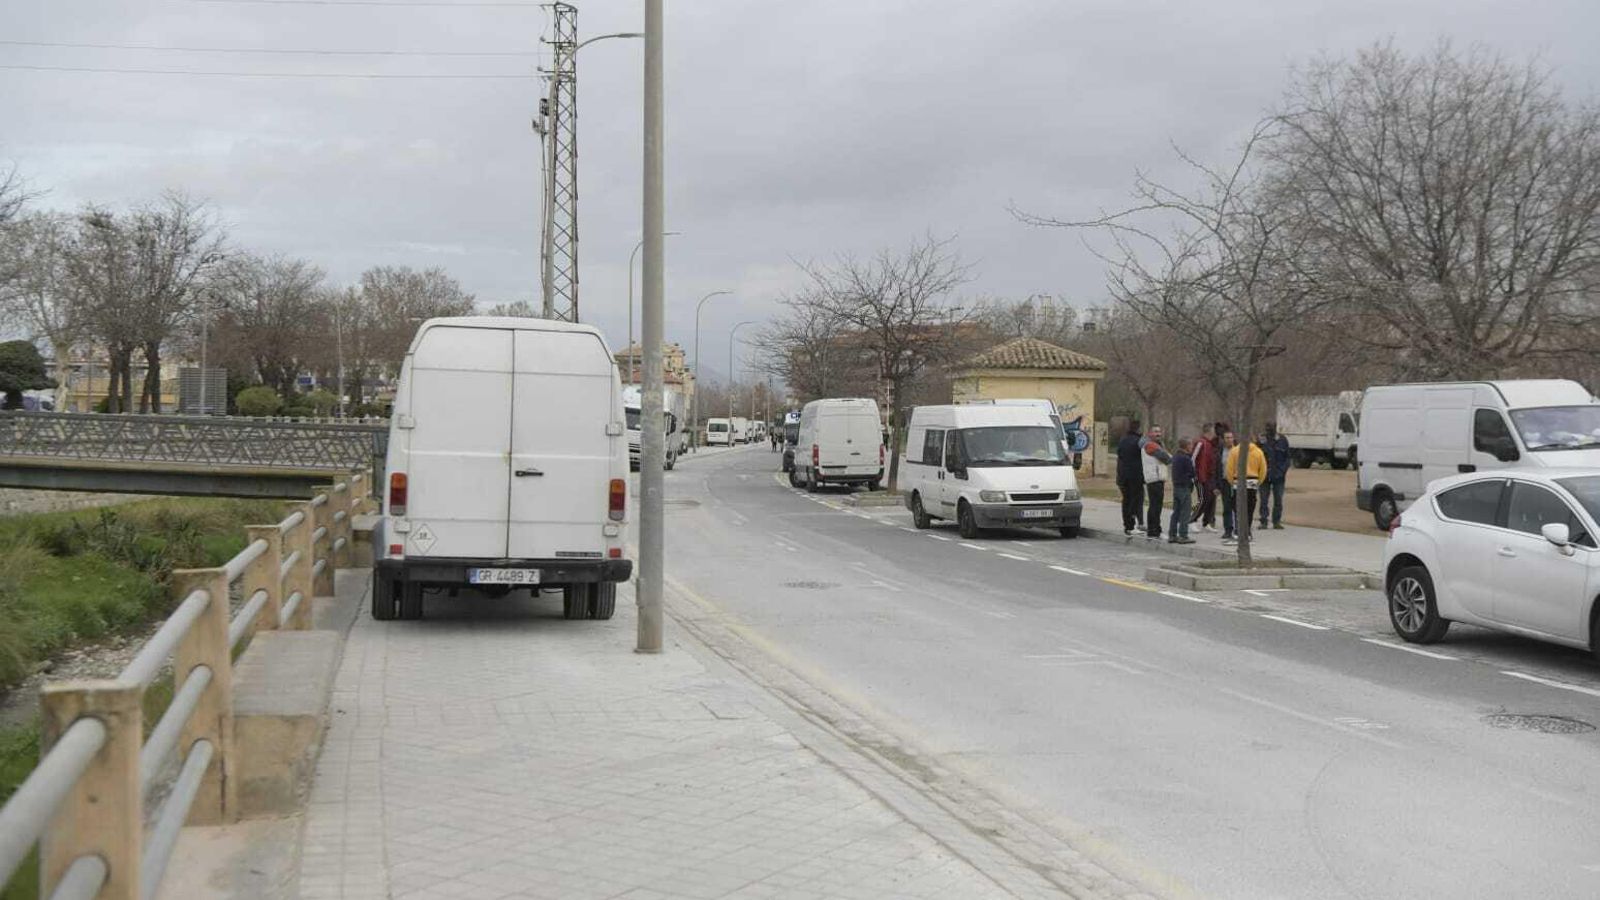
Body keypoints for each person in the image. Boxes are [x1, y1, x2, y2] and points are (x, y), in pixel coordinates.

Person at [1223, 433, 1268, 546]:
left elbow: (1229, 469)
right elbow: (1263, 469)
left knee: (1238, 509)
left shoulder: (1234, 451)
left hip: (1238, 482)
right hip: (1253, 482)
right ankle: (1247, 532)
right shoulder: (1258, 452)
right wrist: (1258, 482)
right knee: (1250, 509)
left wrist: (1231, 481)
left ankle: (1238, 532)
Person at [1115, 420, 1147, 536]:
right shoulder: (1139, 441)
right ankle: (1132, 525)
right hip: (1135, 475)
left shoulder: (1123, 440)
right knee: (1135, 501)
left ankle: (1128, 525)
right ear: (1138, 429)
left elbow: (1120, 455)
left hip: (1123, 476)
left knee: (1126, 500)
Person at [1142, 425, 1172, 539]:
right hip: (1154, 478)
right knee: (1155, 506)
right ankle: (1154, 531)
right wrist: (1168, 455)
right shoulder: (1150, 445)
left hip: (1157, 477)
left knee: (1155, 505)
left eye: (1159, 431)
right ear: (1149, 433)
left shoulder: (1157, 444)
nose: (1158, 434)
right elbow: (1166, 458)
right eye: (1155, 431)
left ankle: (1153, 530)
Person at [1260, 422, 1291, 529]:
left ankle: (1276, 521)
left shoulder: (1282, 440)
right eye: (1267, 428)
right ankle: (1263, 521)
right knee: (1263, 500)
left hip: (1279, 476)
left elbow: (1287, 458)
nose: (1269, 430)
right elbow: (1256, 457)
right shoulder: (1261, 440)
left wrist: (1282, 471)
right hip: (1264, 475)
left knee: (1278, 499)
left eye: (1271, 428)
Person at [1168, 437, 1196, 544]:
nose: (1192, 447)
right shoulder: (1186, 458)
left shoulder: (1176, 457)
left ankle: (1172, 534)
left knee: (1176, 511)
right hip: (1184, 487)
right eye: (1190, 445)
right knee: (1185, 512)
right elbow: (1192, 472)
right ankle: (1183, 535)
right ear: (1187, 446)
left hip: (1176, 487)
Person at [1191, 423, 1218, 532]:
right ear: (1209, 432)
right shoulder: (1200, 443)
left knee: (1212, 498)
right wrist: (1194, 475)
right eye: (1214, 432)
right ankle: (1192, 520)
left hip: (1209, 477)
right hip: (1200, 476)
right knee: (1203, 499)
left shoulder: (1210, 444)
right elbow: (1192, 458)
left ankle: (1206, 522)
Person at [1218, 427, 1237, 542]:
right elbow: (1217, 468)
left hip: (1236, 482)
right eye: (1227, 438)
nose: (1229, 440)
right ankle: (1228, 530)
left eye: (1230, 437)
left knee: (1237, 506)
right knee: (1227, 507)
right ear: (1224, 439)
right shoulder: (1221, 451)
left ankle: (1238, 529)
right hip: (1225, 481)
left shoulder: (1238, 450)